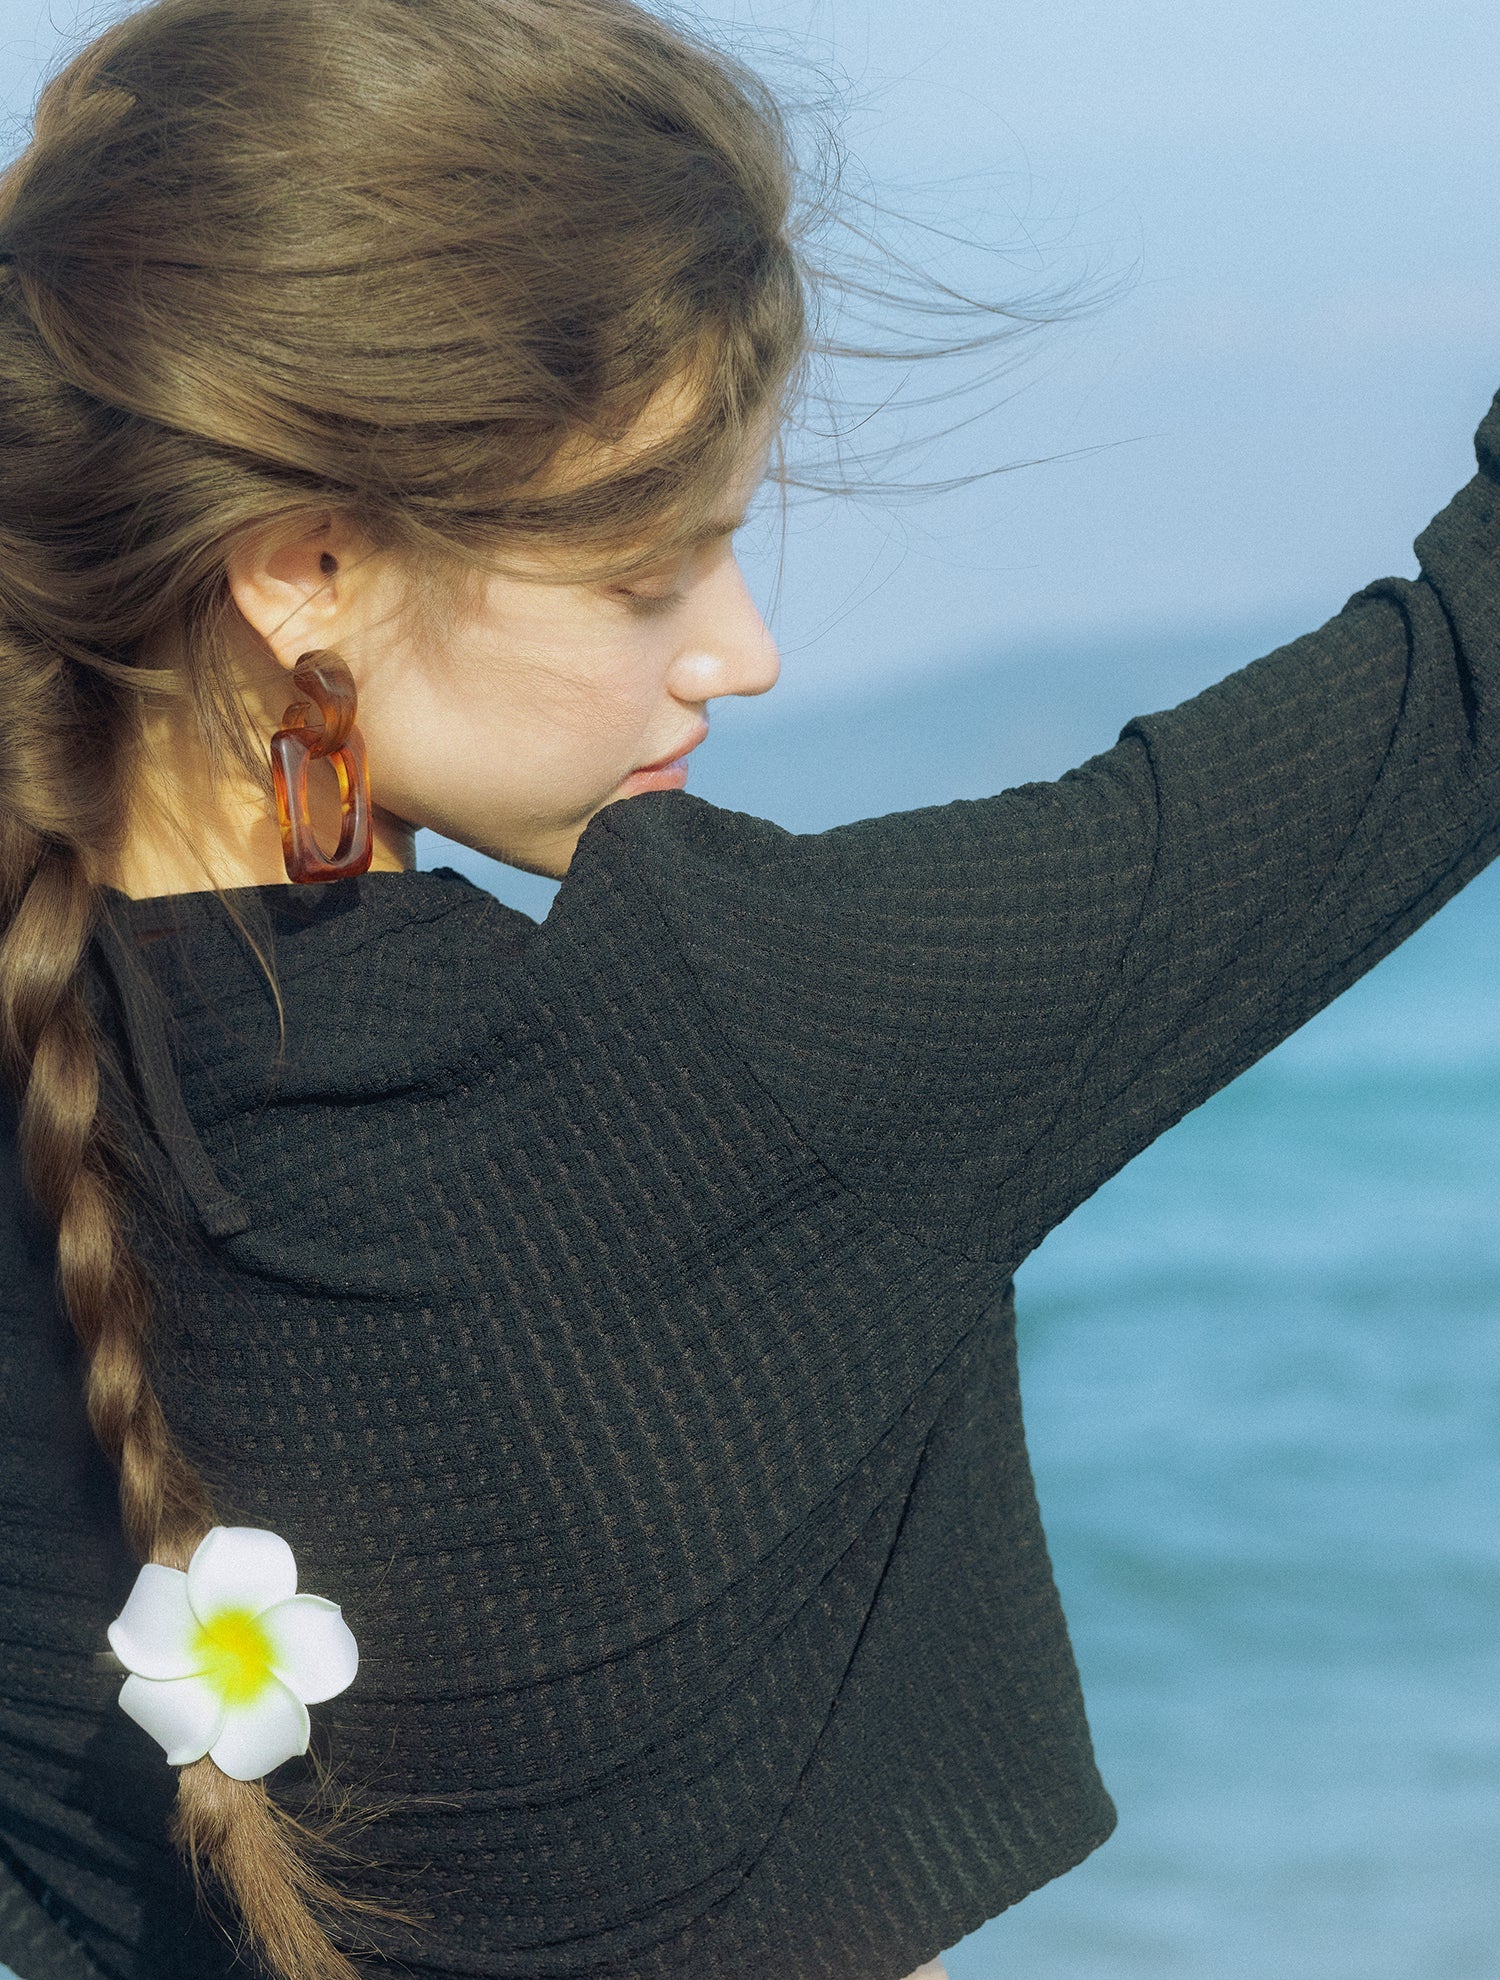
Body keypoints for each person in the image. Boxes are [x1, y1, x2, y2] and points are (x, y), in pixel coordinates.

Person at [0, 0, 1497, 1977]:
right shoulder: (753, 1049)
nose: (745, 650)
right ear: (304, 572)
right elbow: (1453, 692)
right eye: (654, 572)